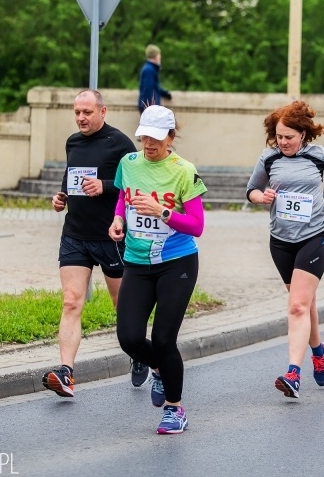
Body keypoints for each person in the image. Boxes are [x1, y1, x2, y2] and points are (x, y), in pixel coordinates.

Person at [109, 105, 207, 434]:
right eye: (143, 138)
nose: (148, 144)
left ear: (170, 137)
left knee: (164, 338)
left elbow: (197, 225)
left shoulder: (183, 170)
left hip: (176, 263)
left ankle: (175, 409)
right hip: (137, 261)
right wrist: (118, 219)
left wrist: (162, 211)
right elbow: (123, 197)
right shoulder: (129, 164)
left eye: (155, 138)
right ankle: (160, 369)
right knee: (129, 337)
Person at [246, 100, 324, 399]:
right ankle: (318, 351)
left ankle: (293, 373)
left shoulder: (319, 156)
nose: (284, 142)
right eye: (279, 136)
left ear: (303, 135)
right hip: (280, 240)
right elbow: (251, 190)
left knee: (296, 306)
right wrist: (260, 197)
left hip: (314, 236)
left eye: (289, 137)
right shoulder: (268, 158)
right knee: (305, 304)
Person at [42, 90, 137, 398]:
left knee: (122, 306)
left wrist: (106, 186)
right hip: (75, 235)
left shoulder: (120, 143)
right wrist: (61, 197)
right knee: (71, 301)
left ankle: (139, 353)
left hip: (110, 236)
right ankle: (66, 373)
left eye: (87, 112)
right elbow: (71, 178)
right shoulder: (73, 142)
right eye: (77, 112)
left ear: (102, 112)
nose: (81, 118)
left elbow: (135, 184)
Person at [138, 44, 172, 113]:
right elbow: (148, 89)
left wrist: (165, 93)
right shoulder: (149, 70)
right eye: (159, 54)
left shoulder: (149, 68)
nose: (160, 57)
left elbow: (154, 86)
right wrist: (150, 108)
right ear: (155, 56)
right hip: (150, 108)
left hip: (150, 107)